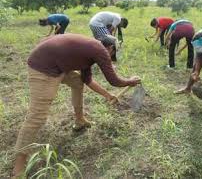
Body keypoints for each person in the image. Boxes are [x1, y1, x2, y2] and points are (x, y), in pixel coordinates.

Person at [12, 34, 141, 178]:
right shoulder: (100, 50)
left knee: (77, 82)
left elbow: (87, 80)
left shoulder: (89, 50)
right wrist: (130, 81)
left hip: (55, 64)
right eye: (113, 53)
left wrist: (107, 95)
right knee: (37, 116)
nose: (110, 56)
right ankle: (19, 166)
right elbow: (114, 80)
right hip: (43, 68)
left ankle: (80, 120)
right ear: (110, 48)